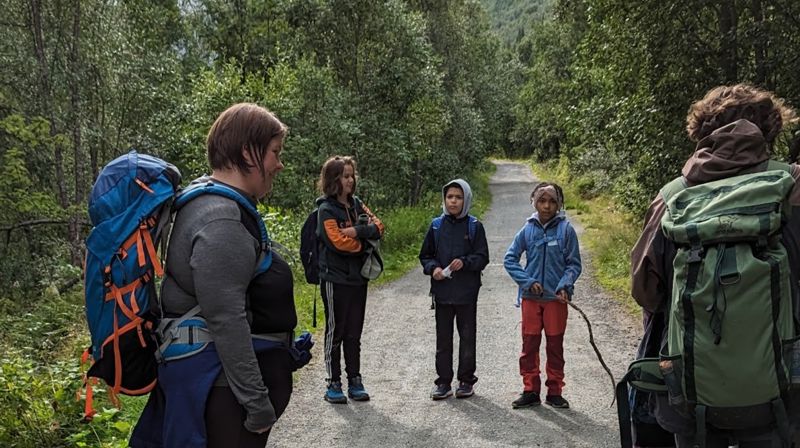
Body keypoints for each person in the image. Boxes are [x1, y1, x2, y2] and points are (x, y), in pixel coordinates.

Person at [631, 84, 800, 447]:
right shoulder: (792, 186)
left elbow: (644, 289)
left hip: (690, 393)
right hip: (784, 387)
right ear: (771, 129)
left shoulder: (673, 196)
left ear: (701, 133)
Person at [130, 103, 298, 447]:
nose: (279, 164)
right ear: (247, 153)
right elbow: (227, 320)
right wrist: (257, 404)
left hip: (221, 386)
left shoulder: (209, 200)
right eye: (274, 153)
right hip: (223, 393)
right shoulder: (221, 219)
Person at [504, 182, 582, 410]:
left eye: (552, 201)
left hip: (556, 300)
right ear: (534, 201)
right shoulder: (527, 230)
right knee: (529, 345)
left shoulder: (566, 230)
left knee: (555, 346)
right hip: (530, 298)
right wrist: (527, 281)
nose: (547, 206)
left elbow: (573, 264)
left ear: (559, 204)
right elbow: (510, 259)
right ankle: (530, 389)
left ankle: (555, 391)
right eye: (542, 200)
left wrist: (564, 286)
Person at [316, 155, 384, 404]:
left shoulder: (357, 205)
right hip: (335, 280)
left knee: (354, 332)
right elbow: (337, 243)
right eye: (345, 176)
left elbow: (379, 227)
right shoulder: (325, 210)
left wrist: (357, 231)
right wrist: (364, 244)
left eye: (351, 175)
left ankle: (355, 379)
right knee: (336, 331)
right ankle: (333, 382)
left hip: (358, 279)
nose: (350, 180)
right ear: (334, 179)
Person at [419, 179, 490, 400]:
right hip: (442, 293)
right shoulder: (436, 226)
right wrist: (434, 269)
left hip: (467, 293)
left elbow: (482, 257)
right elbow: (425, 256)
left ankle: (466, 381)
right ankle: (443, 382)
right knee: (443, 339)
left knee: (467, 337)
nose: (453, 201)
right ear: (444, 199)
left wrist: (465, 262)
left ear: (466, 200)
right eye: (450, 197)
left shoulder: (475, 226)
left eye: (458, 197)